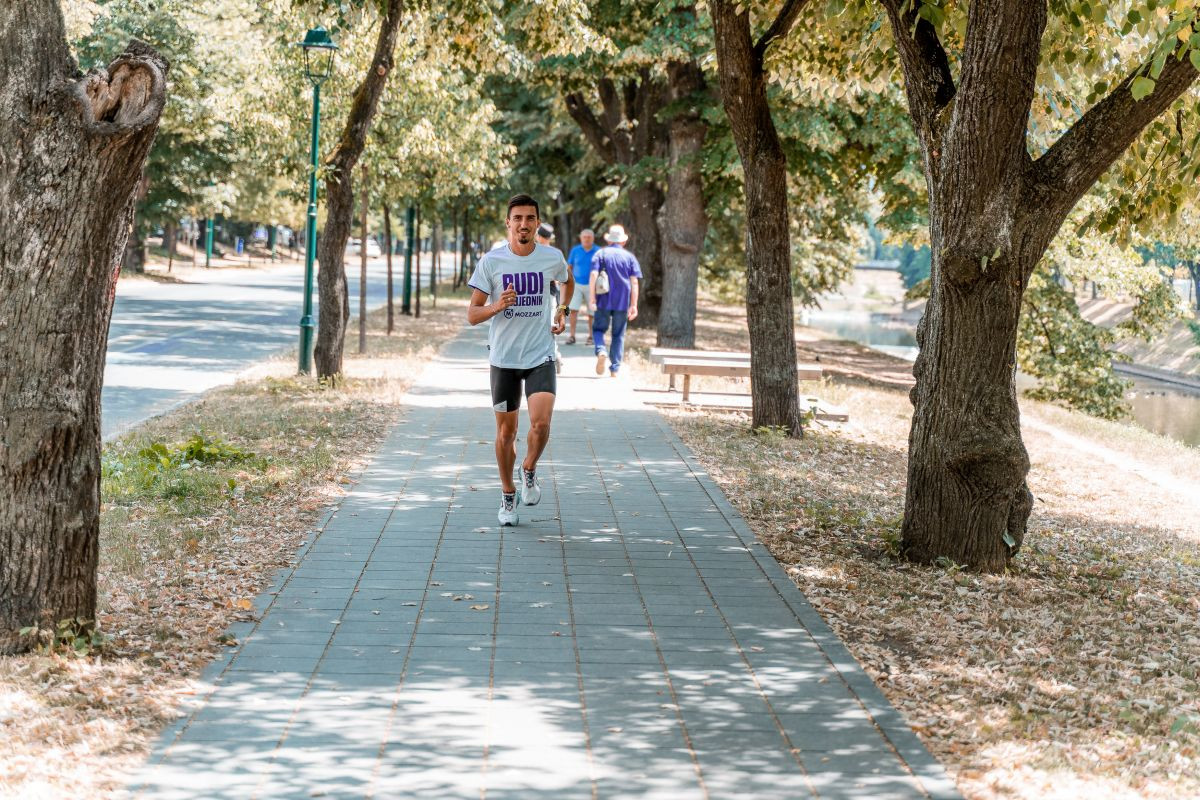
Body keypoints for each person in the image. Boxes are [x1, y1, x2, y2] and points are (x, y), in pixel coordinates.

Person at [467, 195, 573, 526]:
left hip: (540, 353)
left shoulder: (551, 257)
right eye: (518, 218)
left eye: (530, 218)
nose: (524, 224)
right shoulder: (492, 262)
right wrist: (497, 306)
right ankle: (508, 493)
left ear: (537, 223)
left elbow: (566, 283)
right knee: (505, 434)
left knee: (540, 425)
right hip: (503, 359)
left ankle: (528, 468)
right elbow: (472, 314)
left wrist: (562, 310)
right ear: (508, 224)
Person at [589, 224, 641, 377]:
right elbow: (635, 282)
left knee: (598, 329)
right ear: (623, 242)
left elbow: (593, 276)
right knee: (618, 334)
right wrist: (634, 305)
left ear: (609, 240)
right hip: (622, 301)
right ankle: (615, 369)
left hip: (603, 299)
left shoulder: (600, 254)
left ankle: (601, 350)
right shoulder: (630, 257)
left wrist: (592, 297)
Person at [565, 229, 598, 345]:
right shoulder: (575, 250)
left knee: (592, 312)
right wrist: (568, 281)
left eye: (589, 237)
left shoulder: (598, 250)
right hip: (577, 284)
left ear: (593, 238)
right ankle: (572, 336)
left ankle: (591, 337)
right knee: (573, 310)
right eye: (584, 237)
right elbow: (569, 266)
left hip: (592, 285)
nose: (587, 239)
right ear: (581, 238)